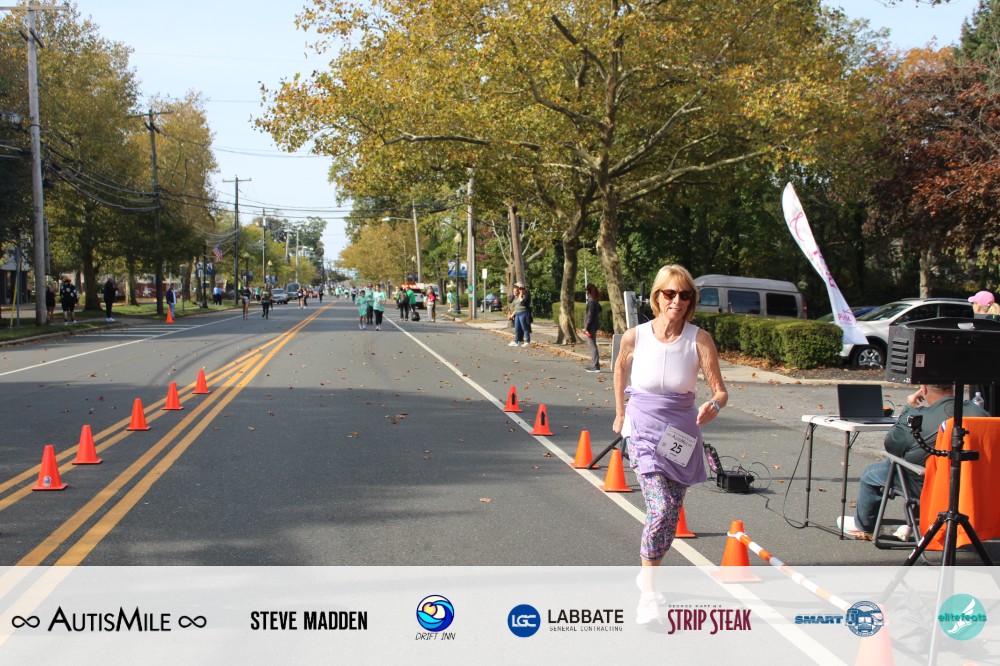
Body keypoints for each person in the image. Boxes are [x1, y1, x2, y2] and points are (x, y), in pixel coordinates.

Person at [613, 264, 728, 625]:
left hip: (681, 433)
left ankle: (649, 573)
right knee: (661, 508)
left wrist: (714, 405)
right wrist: (620, 413)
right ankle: (649, 595)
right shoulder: (635, 336)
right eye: (670, 293)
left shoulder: (699, 339)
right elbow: (620, 368)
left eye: (685, 295)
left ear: (691, 300)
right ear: (657, 296)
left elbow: (720, 390)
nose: (677, 301)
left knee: (670, 515)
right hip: (643, 427)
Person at [838, 384, 988, 540]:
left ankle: (864, 526)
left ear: (924, 389)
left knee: (872, 473)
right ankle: (915, 523)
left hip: (928, 485)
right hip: (972, 486)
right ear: (953, 387)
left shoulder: (918, 417)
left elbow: (891, 445)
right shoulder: (979, 412)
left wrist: (908, 408)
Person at [583, 283, 602, 372]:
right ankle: (595, 365)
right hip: (595, 325)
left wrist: (586, 327)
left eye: (586, 291)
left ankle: (595, 366)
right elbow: (600, 309)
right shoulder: (595, 300)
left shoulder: (591, 301)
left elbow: (590, 316)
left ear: (588, 292)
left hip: (591, 326)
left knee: (592, 346)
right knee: (593, 345)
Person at [507, 282, 532, 347]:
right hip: (517, 314)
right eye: (520, 289)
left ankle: (527, 341)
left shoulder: (525, 295)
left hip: (523, 313)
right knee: (517, 328)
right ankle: (516, 341)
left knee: (524, 328)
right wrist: (511, 314)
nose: (521, 290)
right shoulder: (517, 296)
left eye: (522, 289)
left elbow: (523, 303)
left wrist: (520, 295)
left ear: (524, 289)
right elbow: (512, 303)